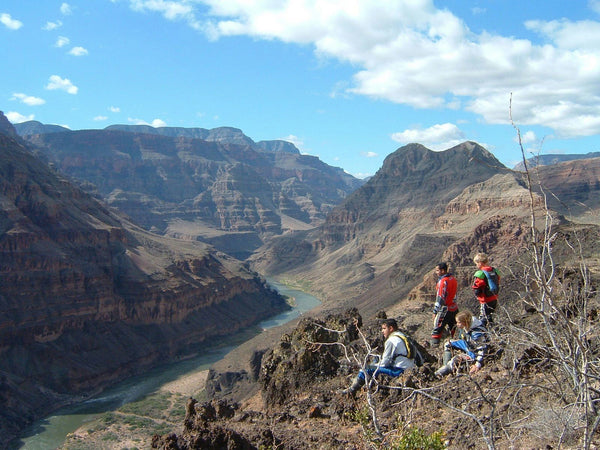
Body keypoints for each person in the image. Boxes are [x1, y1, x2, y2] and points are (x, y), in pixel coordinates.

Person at [341, 318, 415, 395]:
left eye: (384, 328)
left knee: (365, 369)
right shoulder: (403, 336)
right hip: (409, 369)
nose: (382, 331)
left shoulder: (391, 340)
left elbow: (384, 364)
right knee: (376, 360)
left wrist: (372, 366)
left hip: (398, 371)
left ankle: (351, 390)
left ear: (391, 328)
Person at [435, 310, 488, 377]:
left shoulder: (476, 333)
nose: (457, 324)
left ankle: (441, 372)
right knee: (448, 344)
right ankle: (445, 365)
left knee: (454, 361)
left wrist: (477, 365)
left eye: (459, 322)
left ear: (465, 322)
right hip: (467, 344)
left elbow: (482, 349)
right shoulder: (467, 326)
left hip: (473, 352)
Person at [431, 262, 458, 346]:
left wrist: (435, 311)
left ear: (443, 271)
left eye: (437, 270)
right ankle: (456, 345)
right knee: (455, 328)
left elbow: (440, 297)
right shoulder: (453, 279)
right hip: (454, 307)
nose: (436, 272)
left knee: (437, 329)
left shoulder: (443, 281)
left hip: (445, 309)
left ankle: (434, 349)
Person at [471, 252, 500, 326]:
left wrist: (477, 295)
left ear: (480, 263)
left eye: (476, 263)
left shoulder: (480, 274)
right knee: (491, 316)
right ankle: (492, 330)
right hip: (494, 297)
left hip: (485, 299)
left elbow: (476, 287)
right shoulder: (495, 271)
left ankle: (484, 334)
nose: (476, 265)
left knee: (483, 318)